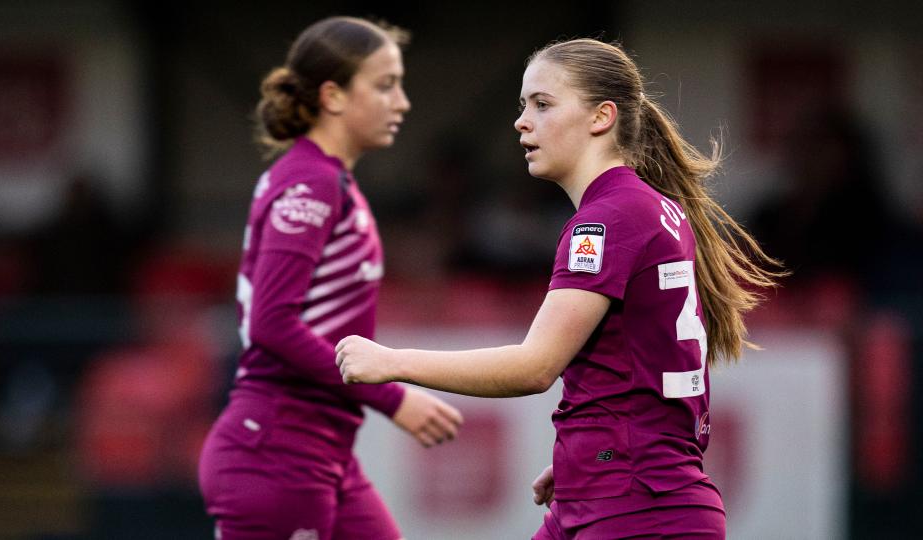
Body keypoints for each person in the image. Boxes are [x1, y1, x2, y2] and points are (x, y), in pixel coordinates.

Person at [336, 38, 783, 539]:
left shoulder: (607, 220)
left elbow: (535, 367)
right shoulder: (651, 207)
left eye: (542, 105)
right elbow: (640, 359)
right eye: (523, 106)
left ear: (601, 117)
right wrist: (588, 451)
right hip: (614, 491)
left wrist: (392, 362)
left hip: (636, 510)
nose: (521, 121)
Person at [197, 16, 463, 540]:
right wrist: (394, 397)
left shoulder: (326, 179)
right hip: (277, 449)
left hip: (323, 452)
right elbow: (271, 322)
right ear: (333, 96)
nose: (402, 102)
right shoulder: (312, 182)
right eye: (386, 85)